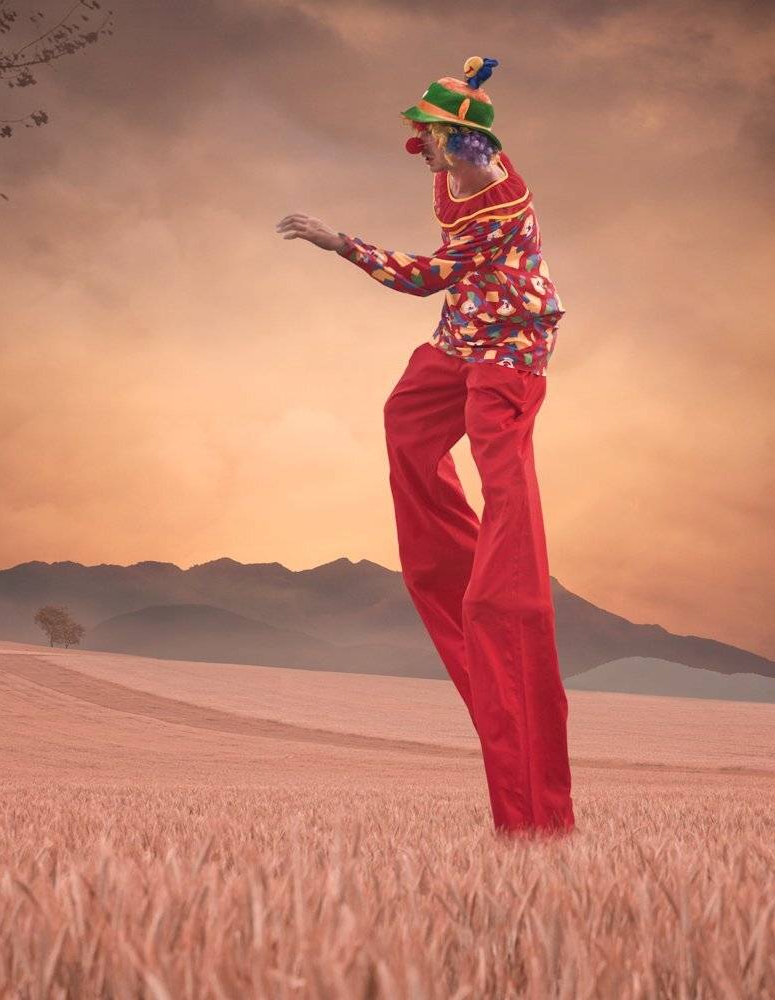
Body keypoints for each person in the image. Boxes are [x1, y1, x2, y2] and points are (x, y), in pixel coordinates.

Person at [276, 56, 576, 838]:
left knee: (502, 487)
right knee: (406, 417)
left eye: (430, 137)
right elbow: (465, 118)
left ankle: (497, 583)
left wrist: (340, 243)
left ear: (464, 144)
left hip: (508, 352)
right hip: (461, 336)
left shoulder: (496, 201)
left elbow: (427, 274)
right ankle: (453, 562)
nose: (419, 148)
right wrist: (466, 84)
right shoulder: (455, 168)